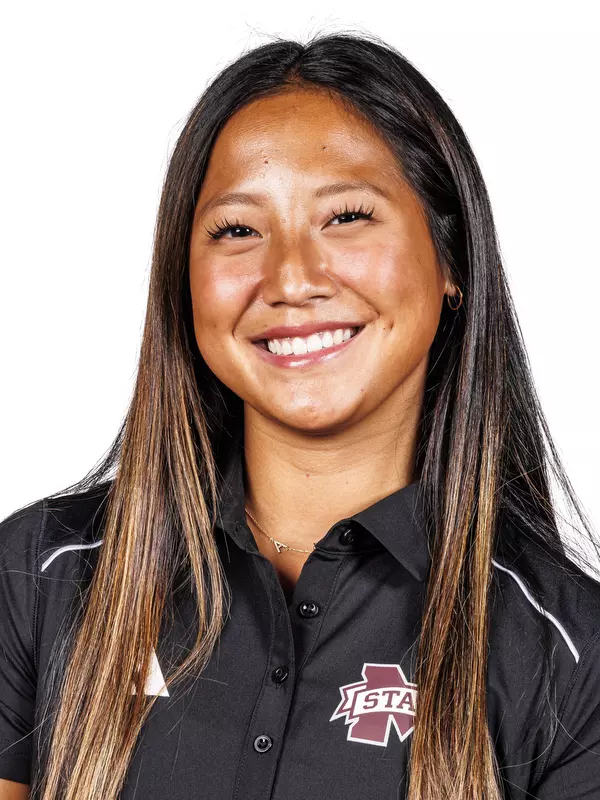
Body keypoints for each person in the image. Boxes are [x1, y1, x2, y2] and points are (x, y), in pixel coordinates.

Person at [1, 31, 599, 800]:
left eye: (347, 217)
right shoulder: (42, 577)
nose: (291, 278)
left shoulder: (567, 656)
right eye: (238, 230)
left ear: (451, 260)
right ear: (184, 281)